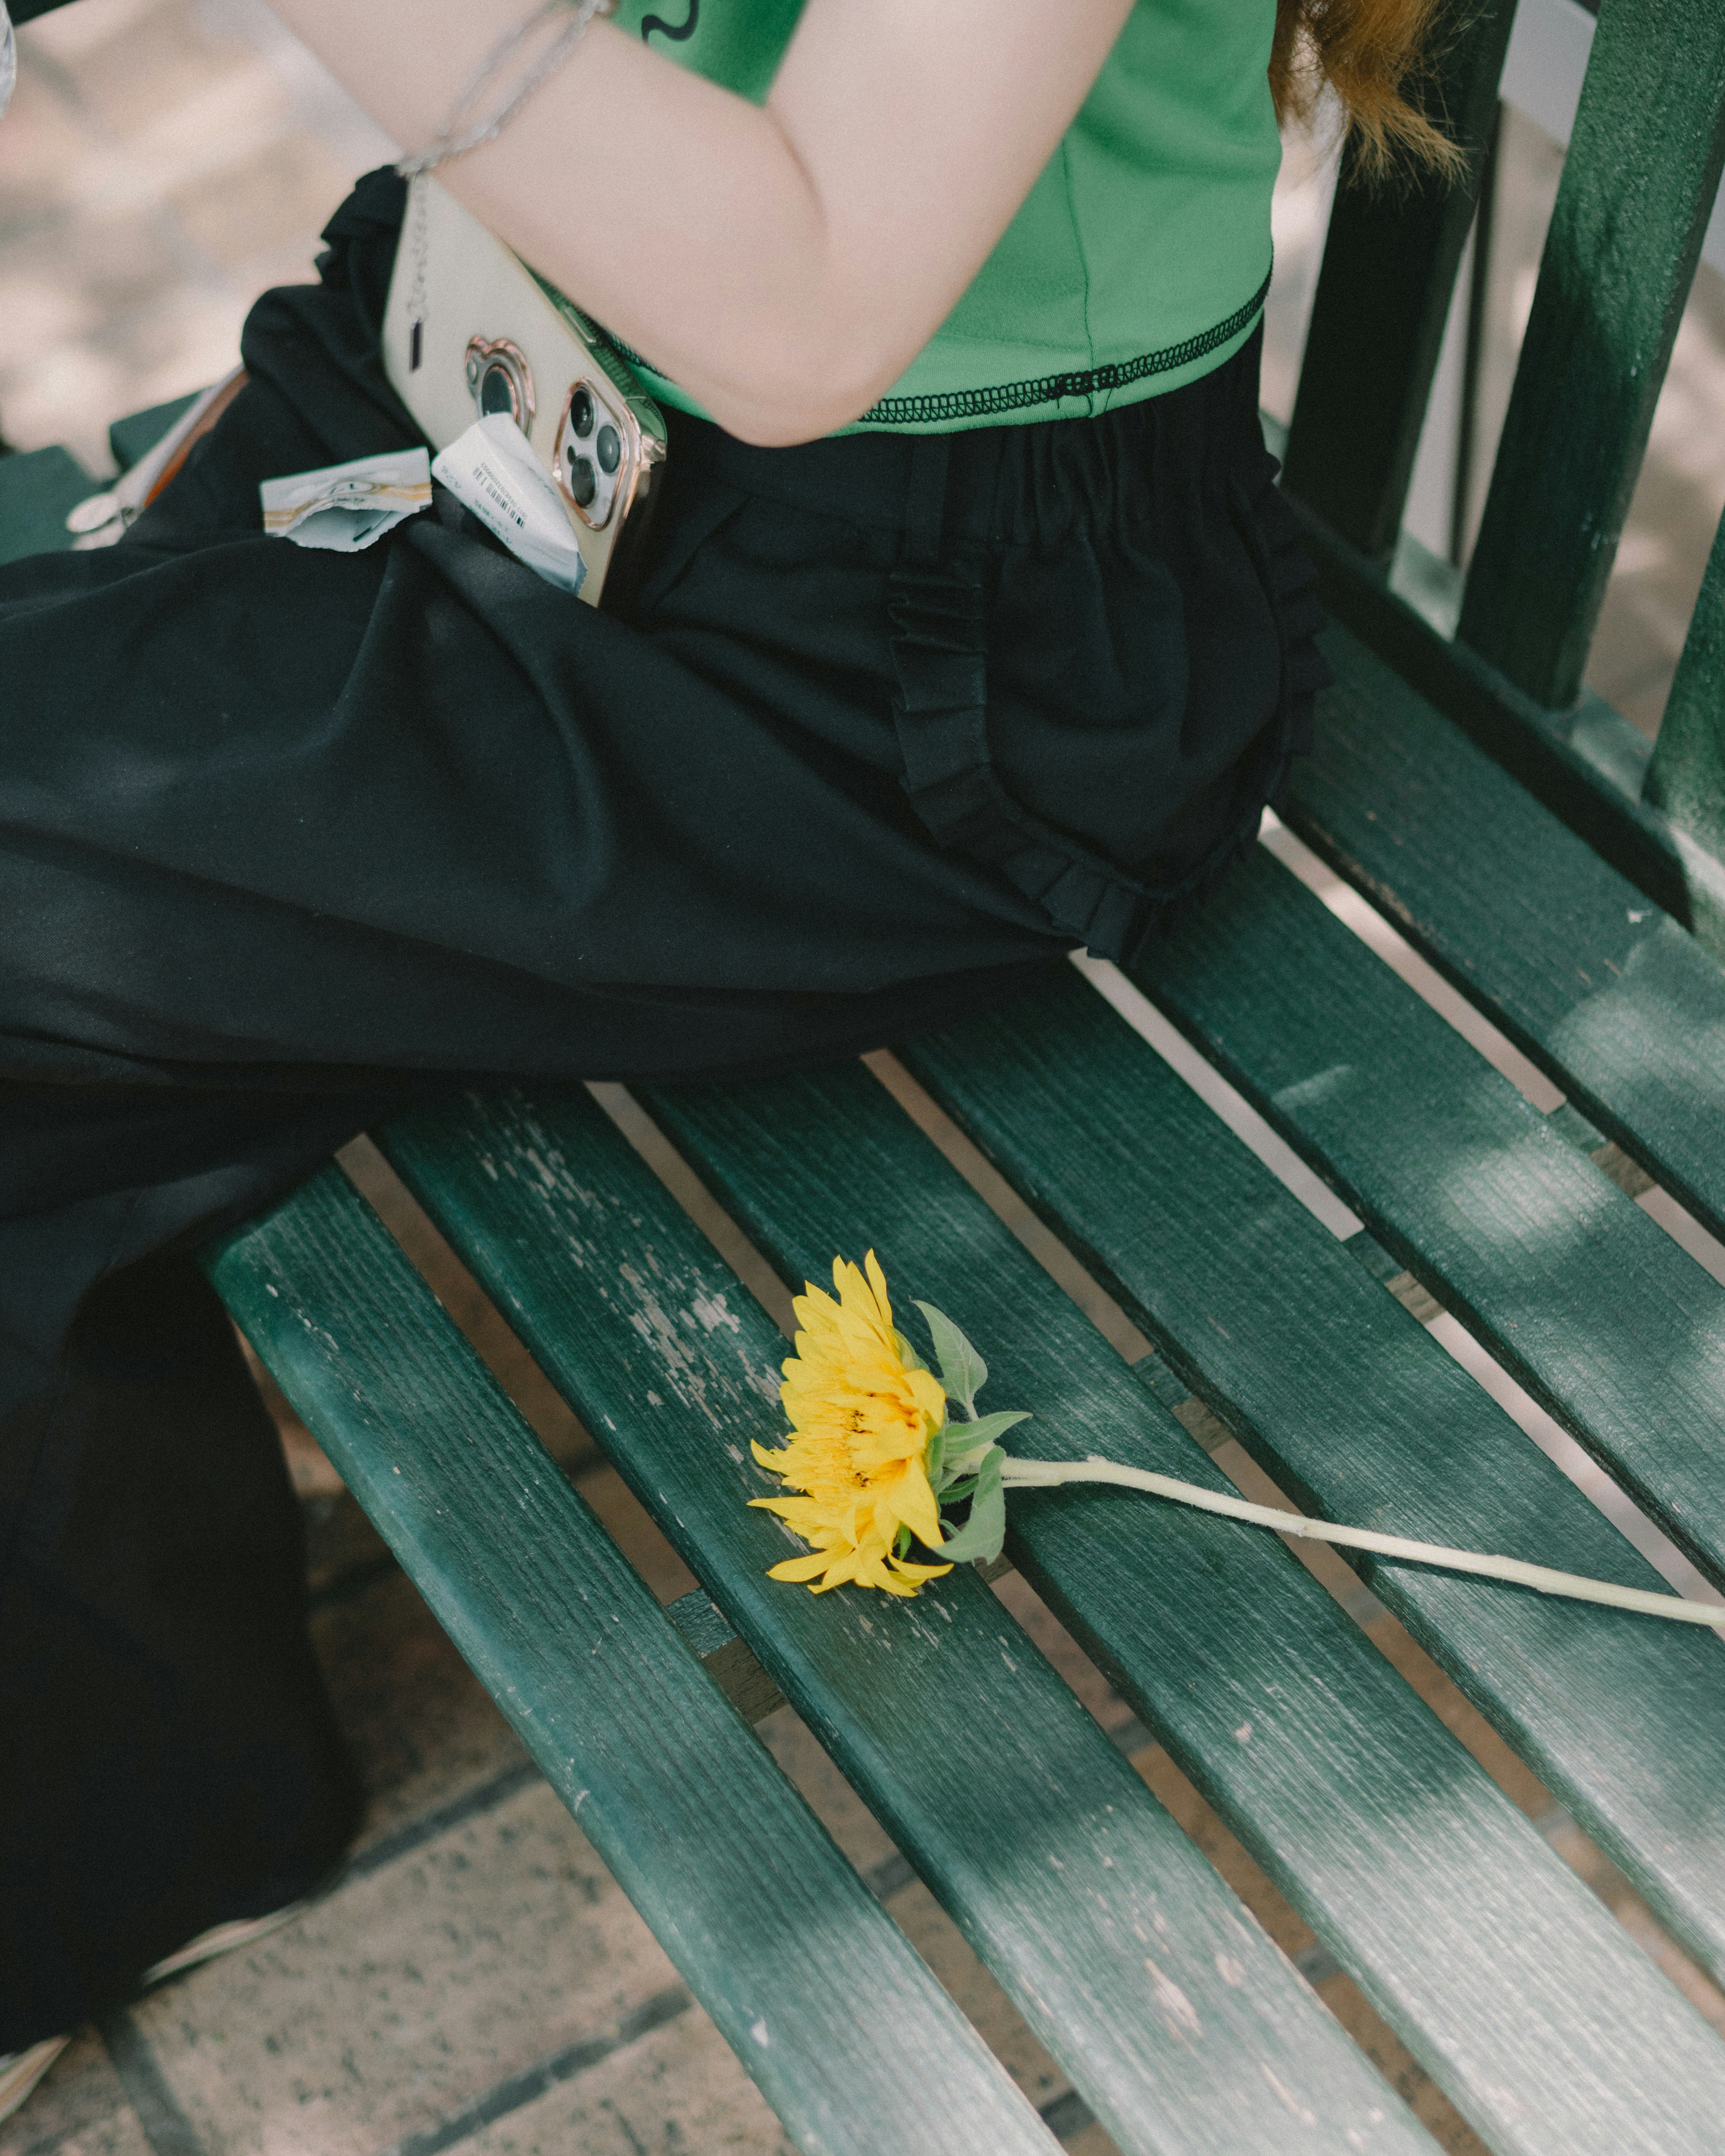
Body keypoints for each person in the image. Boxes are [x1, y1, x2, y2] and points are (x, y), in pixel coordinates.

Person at [0, 0, 1452, 2111]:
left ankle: (118, 1830)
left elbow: (804, 303)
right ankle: (118, 1800)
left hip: (872, 630)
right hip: (499, 367)